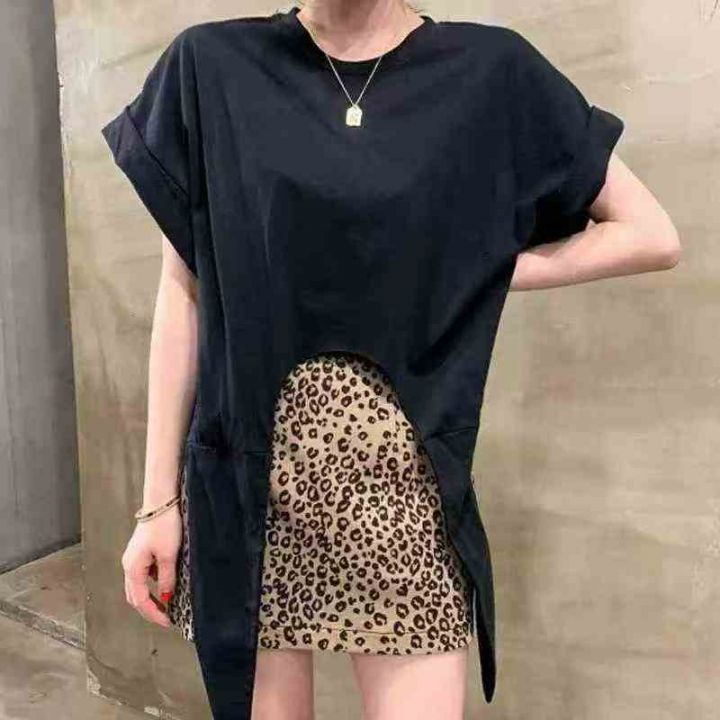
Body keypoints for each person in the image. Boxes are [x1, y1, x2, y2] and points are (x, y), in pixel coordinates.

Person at [101, 1, 681, 718]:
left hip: (402, 498)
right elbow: (185, 290)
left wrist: (468, 269)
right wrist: (157, 504)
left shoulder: (488, 72)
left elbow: (650, 234)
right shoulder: (211, 67)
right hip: (248, 493)